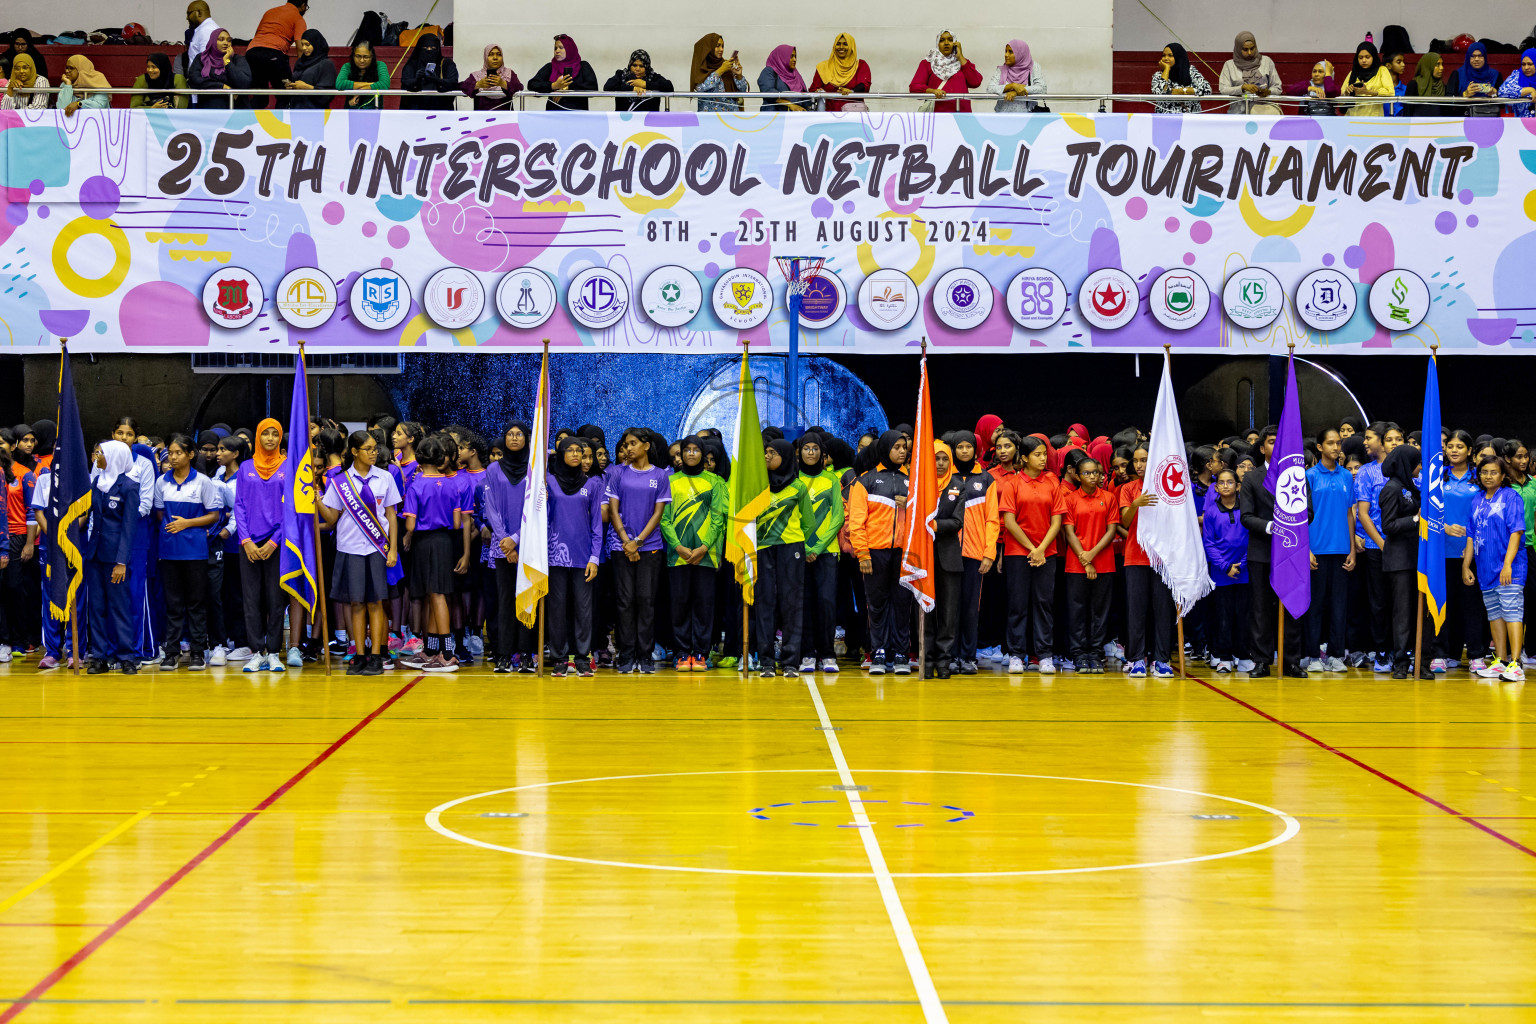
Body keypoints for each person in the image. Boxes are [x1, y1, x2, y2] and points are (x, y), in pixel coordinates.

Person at [319, 431, 399, 677]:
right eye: (368, 448)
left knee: (376, 602)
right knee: (355, 603)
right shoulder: (340, 482)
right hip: (349, 548)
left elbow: (392, 516)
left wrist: (393, 548)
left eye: (375, 448)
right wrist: (317, 500)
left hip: (377, 548)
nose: (374, 452)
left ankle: (376, 655)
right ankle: (360, 654)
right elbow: (332, 518)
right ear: (354, 452)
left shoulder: (385, 478)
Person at [400, 435, 472, 673]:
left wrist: (416, 522)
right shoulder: (452, 483)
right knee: (435, 594)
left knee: (437, 595)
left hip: (425, 542)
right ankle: (431, 650)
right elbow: (455, 522)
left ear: (420, 458)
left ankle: (448, 654)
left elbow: (409, 526)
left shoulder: (417, 484)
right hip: (445, 541)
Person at [1239, 424, 1305, 677]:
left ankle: (1291, 661)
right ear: (1262, 446)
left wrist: (1290, 523)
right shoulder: (1252, 478)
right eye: (1270, 442)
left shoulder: (1297, 477)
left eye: (1280, 442)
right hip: (1261, 552)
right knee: (1260, 609)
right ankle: (1261, 660)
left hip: (1291, 552)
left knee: (1291, 606)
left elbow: (1308, 513)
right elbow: (1246, 516)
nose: (1275, 446)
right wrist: (1272, 526)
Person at [152, 435, 221, 671]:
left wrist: (187, 524)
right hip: (169, 551)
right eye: (170, 453)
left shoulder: (203, 482)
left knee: (196, 603)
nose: (172, 457)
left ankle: (197, 652)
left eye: (178, 453)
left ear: (191, 455)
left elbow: (214, 515)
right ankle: (171, 652)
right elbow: (160, 514)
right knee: (173, 603)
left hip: (195, 552)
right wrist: (174, 530)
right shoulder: (161, 482)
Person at [607, 427, 671, 674]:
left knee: (646, 601)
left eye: (633, 443)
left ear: (646, 445)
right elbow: (613, 511)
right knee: (624, 602)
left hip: (650, 548)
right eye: (626, 443)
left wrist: (639, 542)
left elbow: (658, 514)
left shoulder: (660, 475)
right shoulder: (617, 473)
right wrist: (627, 542)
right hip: (622, 547)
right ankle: (626, 654)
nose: (629, 448)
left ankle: (644, 656)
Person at [540, 436, 605, 676]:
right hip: (554, 555)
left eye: (580, 451)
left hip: (583, 556)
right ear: (561, 455)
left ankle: (581, 657)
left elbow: (596, 524)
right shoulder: (548, 482)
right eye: (571, 450)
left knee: (583, 608)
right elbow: (540, 518)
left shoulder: (592, 484)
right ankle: (558, 657)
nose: (576, 454)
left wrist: (595, 558)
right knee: (557, 608)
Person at [659, 436, 725, 672]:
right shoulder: (670, 481)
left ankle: (700, 653)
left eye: (696, 450)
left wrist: (704, 547)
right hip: (678, 555)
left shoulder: (715, 482)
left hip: (705, 555)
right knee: (679, 604)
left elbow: (719, 519)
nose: (691, 454)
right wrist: (678, 547)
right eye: (687, 450)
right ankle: (681, 653)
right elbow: (664, 520)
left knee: (704, 604)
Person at [848, 429, 910, 675]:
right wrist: (863, 554)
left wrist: (911, 503)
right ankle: (879, 652)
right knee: (876, 604)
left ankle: (901, 653)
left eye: (904, 447)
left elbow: (926, 516)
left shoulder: (913, 481)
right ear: (884, 448)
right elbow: (856, 522)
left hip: (905, 553)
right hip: (875, 552)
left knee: (903, 603)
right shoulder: (866, 480)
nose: (902, 451)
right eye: (896, 447)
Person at [998, 433, 1061, 674]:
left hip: (1047, 552)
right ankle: (1016, 654)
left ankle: (1044, 655)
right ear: (1024, 458)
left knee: (1044, 603)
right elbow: (1010, 521)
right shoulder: (1013, 484)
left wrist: (1042, 548)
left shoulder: (1052, 483)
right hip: (1017, 553)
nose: (1043, 458)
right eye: (1037, 455)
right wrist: (1032, 549)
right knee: (1018, 604)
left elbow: (1056, 522)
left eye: (1044, 454)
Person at [753, 439, 813, 678]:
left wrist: (793, 540)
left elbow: (808, 524)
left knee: (792, 605)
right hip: (763, 548)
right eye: (765, 452)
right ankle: (766, 661)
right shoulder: (756, 485)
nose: (767, 456)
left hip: (791, 549)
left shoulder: (798, 487)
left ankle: (790, 662)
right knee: (764, 604)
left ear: (786, 456)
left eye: (772, 453)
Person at [1465, 456, 1526, 682]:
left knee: (1512, 613)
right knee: (1495, 615)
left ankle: (1515, 663)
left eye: (1493, 472)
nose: (1488, 476)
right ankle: (1500, 661)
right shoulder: (1477, 499)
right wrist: (1465, 565)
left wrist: (1508, 564)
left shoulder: (1511, 497)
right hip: (1485, 568)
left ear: (1503, 475)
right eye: (1484, 472)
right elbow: (1470, 535)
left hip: (1509, 568)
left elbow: (1516, 531)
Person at [234, 418, 287, 673]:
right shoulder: (245, 467)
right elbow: (239, 505)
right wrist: (246, 541)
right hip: (250, 544)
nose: (269, 439)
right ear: (257, 437)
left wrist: (274, 542)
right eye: (265, 434)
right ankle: (257, 651)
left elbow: (292, 510)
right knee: (252, 599)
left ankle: (275, 652)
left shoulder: (289, 467)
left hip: (278, 543)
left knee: (276, 600)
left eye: (274, 434)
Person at [1119, 445, 1176, 678]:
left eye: (1144, 460)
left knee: (1163, 610)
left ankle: (1161, 659)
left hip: (1162, 558)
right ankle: (1136, 659)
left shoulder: (1168, 488)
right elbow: (1124, 522)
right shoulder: (1128, 489)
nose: (1139, 465)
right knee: (1136, 609)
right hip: (1135, 556)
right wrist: (1135, 504)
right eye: (1136, 461)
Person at [85, 442, 141, 675]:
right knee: (96, 607)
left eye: (101, 453)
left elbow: (129, 528)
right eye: (96, 452)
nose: (97, 456)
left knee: (119, 607)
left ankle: (126, 656)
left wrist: (121, 562)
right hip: (96, 554)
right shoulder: (97, 483)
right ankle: (99, 656)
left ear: (115, 456)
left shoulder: (129, 487)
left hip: (115, 557)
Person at [1302, 428, 1355, 673]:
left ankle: (1335, 655)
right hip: (1316, 549)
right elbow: (1301, 516)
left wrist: (1352, 549)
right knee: (1315, 606)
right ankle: (1313, 655)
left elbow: (1349, 513)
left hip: (1341, 549)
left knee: (1339, 606)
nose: (1336, 447)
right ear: (1320, 447)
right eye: (1331, 443)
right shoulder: (1309, 476)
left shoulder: (1346, 476)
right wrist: (1306, 549)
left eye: (1338, 443)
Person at [1062, 457, 1118, 674]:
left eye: (1096, 472)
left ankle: (1095, 653)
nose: (1093, 477)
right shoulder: (1071, 499)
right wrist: (1085, 560)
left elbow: (1111, 530)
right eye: (1087, 473)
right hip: (1076, 564)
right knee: (1077, 610)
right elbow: (1069, 532)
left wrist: (1092, 556)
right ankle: (1078, 654)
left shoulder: (1109, 498)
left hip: (1103, 563)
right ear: (1077, 475)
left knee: (1100, 611)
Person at [1437, 430, 1485, 671]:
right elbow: (1427, 513)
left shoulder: (1479, 478)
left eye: (1460, 446)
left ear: (1469, 451)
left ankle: (1476, 654)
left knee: (1472, 605)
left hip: (1473, 553)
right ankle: (1445, 653)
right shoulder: (1438, 477)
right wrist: (1443, 526)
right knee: (1446, 604)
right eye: (1450, 446)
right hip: (1442, 551)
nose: (1454, 450)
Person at [796, 432, 844, 674]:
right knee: (803, 602)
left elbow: (838, 516)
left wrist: (817, 548)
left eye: (815, 448)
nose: (811, 452)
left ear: (822, 453)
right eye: (807, 448)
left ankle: (827, 654)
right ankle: (806, 653)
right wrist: (805, 548)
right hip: (799, 551)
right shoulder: (793, 480)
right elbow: (790, 517)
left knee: (826, 603)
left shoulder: (831, 479)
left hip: (827, 552)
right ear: (800, 452)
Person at [1379, 444, 1428, 679]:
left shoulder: (1411, 487)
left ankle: (1422, 661)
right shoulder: (1391, 488)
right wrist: (1415, 519)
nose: (1420, 467)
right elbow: (1388, 526)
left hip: (1417, 558)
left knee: (1420, 611)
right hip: (1399, 561)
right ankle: (1400, 662)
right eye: (1417, 462)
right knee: (1402, 613)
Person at [1202, 468, 1250, 673]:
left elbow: (1252, 540)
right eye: (1221, 483)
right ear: (1216, 487)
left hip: (1245, 571)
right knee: (1223, 615)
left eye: (1230, 482)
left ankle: (1242, 654)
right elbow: (1209, 543)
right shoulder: (1212, 512)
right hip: (1221, 573)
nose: (1225, 486)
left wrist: (1242, 563)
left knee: (1243, 615)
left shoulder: (1246, 509)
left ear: (1237, 486)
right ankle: (1224, 657)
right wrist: (1225, 566)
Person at [925, 440, 963, 678]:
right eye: (936, 458)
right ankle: (926, 660)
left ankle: (944, 662)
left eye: (944, 459)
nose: (940, 463)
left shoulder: (958, 485)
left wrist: (934, 524)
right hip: (923, 557)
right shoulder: (919, 486)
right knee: (925, 610)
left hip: (949, 557)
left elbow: (957, 522)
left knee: (948, 613)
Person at [245, 0, 308, 107]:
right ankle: (280, 123)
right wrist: (301, 71)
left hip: (252, 53)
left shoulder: (270, 12)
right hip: (273, 54)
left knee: (260, 98)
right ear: (303, 6)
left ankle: (246, 122)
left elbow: (257, 35)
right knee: (286, 95)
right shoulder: (298, 18)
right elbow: (300, 48)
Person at [911, 30, 981, 112]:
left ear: (955, 43)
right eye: (942, 40)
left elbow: (976, 82)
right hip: (938, 115)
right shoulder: (928, 63)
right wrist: (932, 91)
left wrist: (960, 56)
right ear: (937, 44)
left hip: (961, 116)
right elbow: (914, 87)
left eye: (950, 40)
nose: (946, 43)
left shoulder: (962, 63)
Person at [1218, 31, 1281, 114]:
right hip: (1239, 114)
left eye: (1252, 48)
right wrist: (1242, 88)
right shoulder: (1229, 65)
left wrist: (1268, 92)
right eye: (1245, 49)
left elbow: (1278, 88)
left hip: (1264, 112)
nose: (1249, 53)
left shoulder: (1266, 62)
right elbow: (1223, 89)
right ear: (1238, 48)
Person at [530, 34, 598, 111]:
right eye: (555, 48)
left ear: (570, 49)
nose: (557, 51)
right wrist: (553, 86)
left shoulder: (583, 66)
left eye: (561, 48)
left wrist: (567, 88)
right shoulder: (550, 67)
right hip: (553, 115)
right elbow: (532, 84)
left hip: (578, 115)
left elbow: (592, 86)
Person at [189, 29, 254, 108]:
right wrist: (222, 87)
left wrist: (227, 62)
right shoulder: (202, 58)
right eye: (221, 39)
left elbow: (244, 83)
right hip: (209, 109)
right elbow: (194, 79)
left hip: (236, 108)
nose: (226, 43)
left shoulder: (238, 59)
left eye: (229, 40)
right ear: (213, 41)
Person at [810, 33, 871, 112]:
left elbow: (864, 84)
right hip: (829, 115)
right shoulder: (823, 67)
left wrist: (851, 91)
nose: (841, 47)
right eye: (838, 44)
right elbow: (813, 89)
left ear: (851, 47)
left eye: (845, 44)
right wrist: (818, 91)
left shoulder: (861, 65)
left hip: (853, 115)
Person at [401, 33, 458, 110]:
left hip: (441, 111)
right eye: (425, 47)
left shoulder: (446, 64)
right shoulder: (412, 65)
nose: (429, 50)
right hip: (415, 111)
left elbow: (453, 82)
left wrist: (437, 80)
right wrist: (417, 80)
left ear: (438, 48)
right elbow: (405, 83)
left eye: (433, 47)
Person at [987, 38, 1046, 112]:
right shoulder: (1001, 69)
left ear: (1020, 53)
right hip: (1003, 116)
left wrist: (1016, 92)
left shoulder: (1033, 67)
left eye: (1010, 52)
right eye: (1006, 51)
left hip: (1028, 117)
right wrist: (1012, 86)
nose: (1006, 55)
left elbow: (1042, 89)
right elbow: (990, 89)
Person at [605, 48, 671, 113]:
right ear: (630, 65)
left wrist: (645, 84)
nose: (637, 69)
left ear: (647, 67)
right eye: (634, 65)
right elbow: (608, 87)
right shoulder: (621, 75)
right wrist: (633, 88)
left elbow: (669, 87)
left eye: (641, 66)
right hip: (624, 121)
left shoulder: (654, 77)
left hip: (648, 121)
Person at [692, 33, 746, 112]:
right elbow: (699, 88)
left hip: (732, 116)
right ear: (708, 48)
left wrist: (739, 76)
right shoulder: (702, 67)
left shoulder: (726, 65)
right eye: (717, 46)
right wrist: (720, 70)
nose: (721, 49)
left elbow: (743, 91)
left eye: (722, 46)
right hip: (711, 119)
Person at [282, 30, 336, 108]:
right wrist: (292, 87)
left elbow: (328, 94)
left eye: (307, 44)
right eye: (302, 44)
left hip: (315, 112)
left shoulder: (326, 64)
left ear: (316, 44)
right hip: (296, 109)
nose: (304, 48)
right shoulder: (300, 62)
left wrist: (307, 88)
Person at [1151, 43, 1209, 113]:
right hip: (1166, 119)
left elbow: (1206, 89)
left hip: (1190, 119)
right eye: (1164, 55)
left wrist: (1179, 91)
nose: (1166, 58)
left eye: (1170, 55)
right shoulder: (1158, 76)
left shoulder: (1191, 71)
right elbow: (1159, 93)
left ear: (1178, 56)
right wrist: (1166, 69)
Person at [1340, 42, 1394, 117]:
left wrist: (1367, 92)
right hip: (1352, 117)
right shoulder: (1353, 72)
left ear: (1373, 57)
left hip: (1373, 119)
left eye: (1367, 57)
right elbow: (1342, 94)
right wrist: (1347, 92)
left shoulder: (1382, 70)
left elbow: (1390, 92)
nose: (1364, 60)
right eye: (1360, 57)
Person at [462, 43, 521, 111]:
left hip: (505, 118)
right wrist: (478, 85)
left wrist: (503, 84)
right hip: (482, 118)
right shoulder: (476, 76)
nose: (495, 58)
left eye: (499, 54)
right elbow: (462, 86)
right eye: (491, 54)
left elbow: (519, 87)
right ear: (485, 57)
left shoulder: (509, 73)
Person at [1449, 42, 1502, 117]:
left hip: (1489, 117)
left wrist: (1494, 94)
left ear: (1485, 57)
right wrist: (1464, 95)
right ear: (1468, 58)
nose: (1476, 59)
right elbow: (1448, 102)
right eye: (1473, 56)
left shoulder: (1495, 75)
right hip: (1463, 118)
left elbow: (1502, 104)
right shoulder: (1458, 74)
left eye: (1480, 56)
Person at [336, 39, 388, 109]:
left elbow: (385, 84)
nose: (362, 60)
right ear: (353, 56)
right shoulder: (347, 66)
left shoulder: (380, 65)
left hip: (374, 112)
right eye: (358, 56)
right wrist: (371, 84)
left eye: (366, 57)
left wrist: (359, 92)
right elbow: (340, 84)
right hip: (351, 111)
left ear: (372, 56)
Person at [177, 1, 219, 78]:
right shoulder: (206, 28)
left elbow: (205, 63)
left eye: (189, 13)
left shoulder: (206, 31)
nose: (187, 17)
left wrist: (199, 81)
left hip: (203, 84)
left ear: (199, 13)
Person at [758, 44, 806, 111]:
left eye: (795, 56)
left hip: (795, 117)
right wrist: (790, 104)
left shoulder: (795, 74)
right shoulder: (769, 71)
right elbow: (768, 92)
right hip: (775, 116)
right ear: (782, 57)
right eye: (791, 56)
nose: (794, 59)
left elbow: (804, 95)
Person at [1498, 49, 1536, 118]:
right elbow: (1502, 91)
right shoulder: (1517, 75)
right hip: (1520, 124)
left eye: (1530, 64)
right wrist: (1529, 90)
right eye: (1523, 64)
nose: (1526, 68)